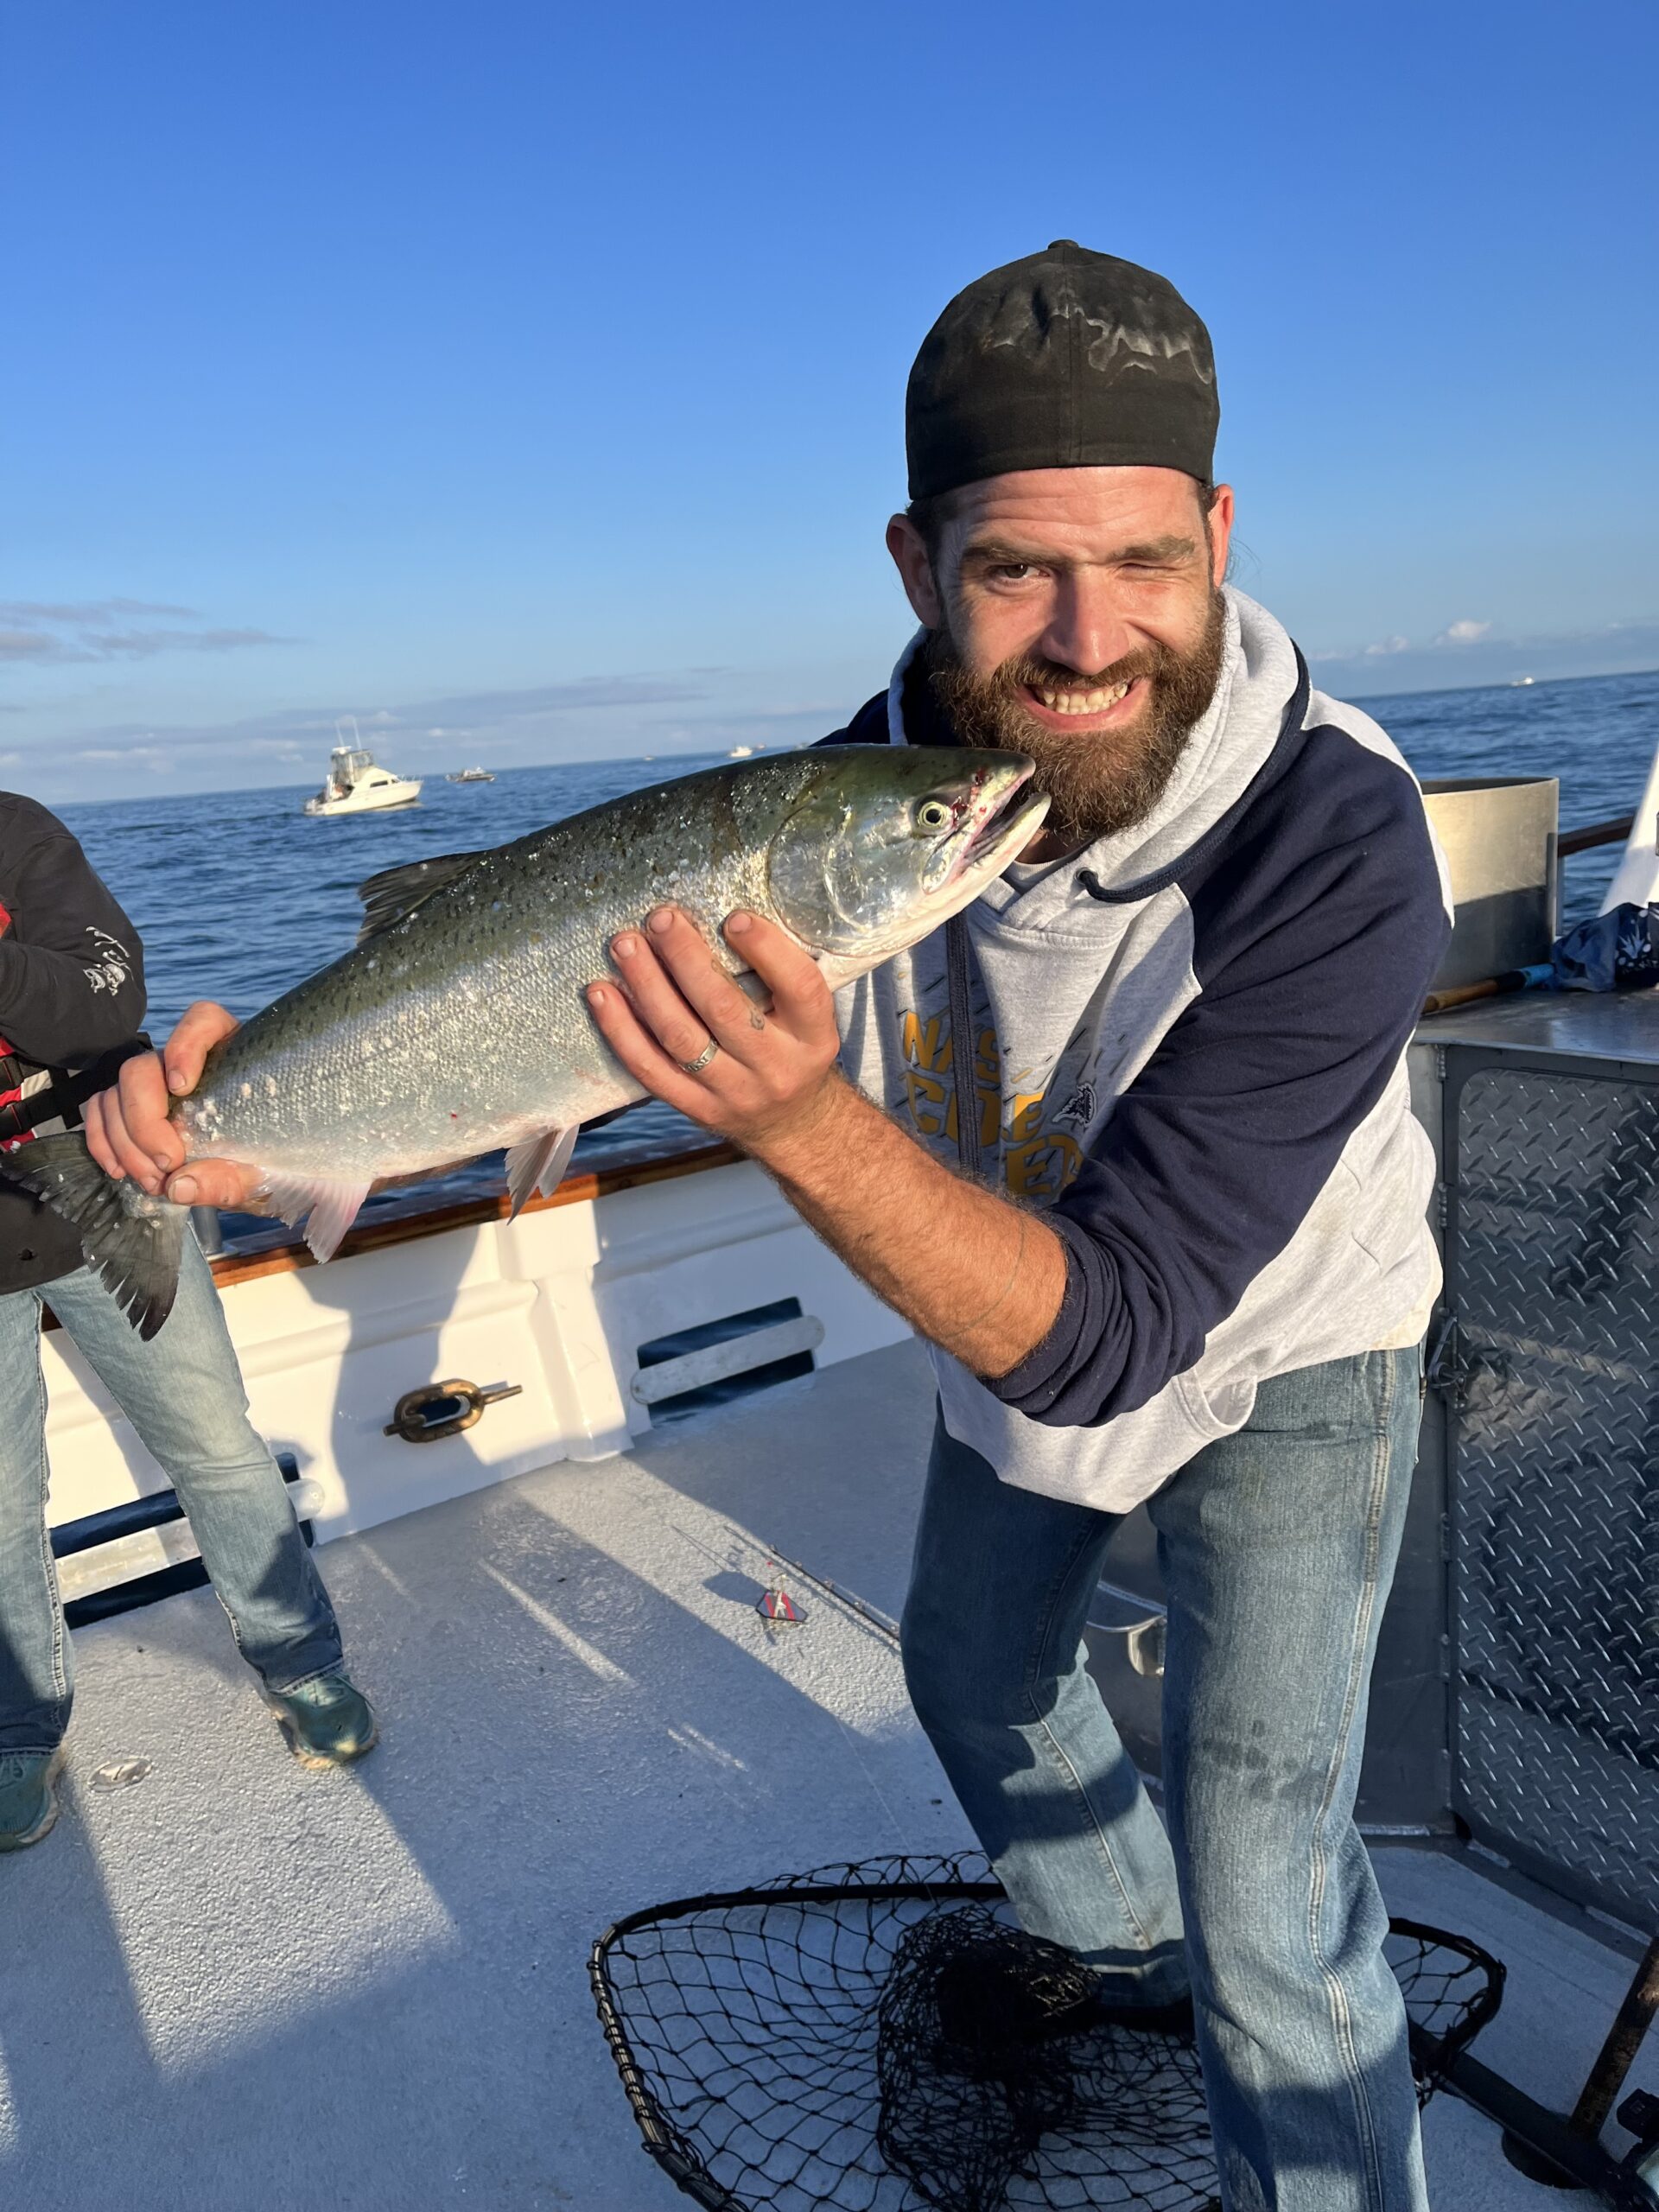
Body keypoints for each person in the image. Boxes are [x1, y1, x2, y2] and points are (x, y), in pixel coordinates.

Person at [94, 244, 1449, 2209]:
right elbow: (542, 994)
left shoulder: (1330, 837)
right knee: (973, 1674)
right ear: (915, 564)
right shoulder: (852, 792)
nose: (1088, 637)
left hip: (1283, 1347)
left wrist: (794, 1112)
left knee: (1278, 1895)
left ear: (1220, 531)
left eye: (1146, 561)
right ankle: (1125, 1949)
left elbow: (1119, 1329)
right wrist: (262, 1113)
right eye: (1013, 571)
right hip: (993, 1287)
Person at [0, 794, 377, 1854]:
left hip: (111, 1187)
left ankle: (304, 1662)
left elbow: (103, 1007)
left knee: (216, 1448)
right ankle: (19, 1730)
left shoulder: (15, 832)